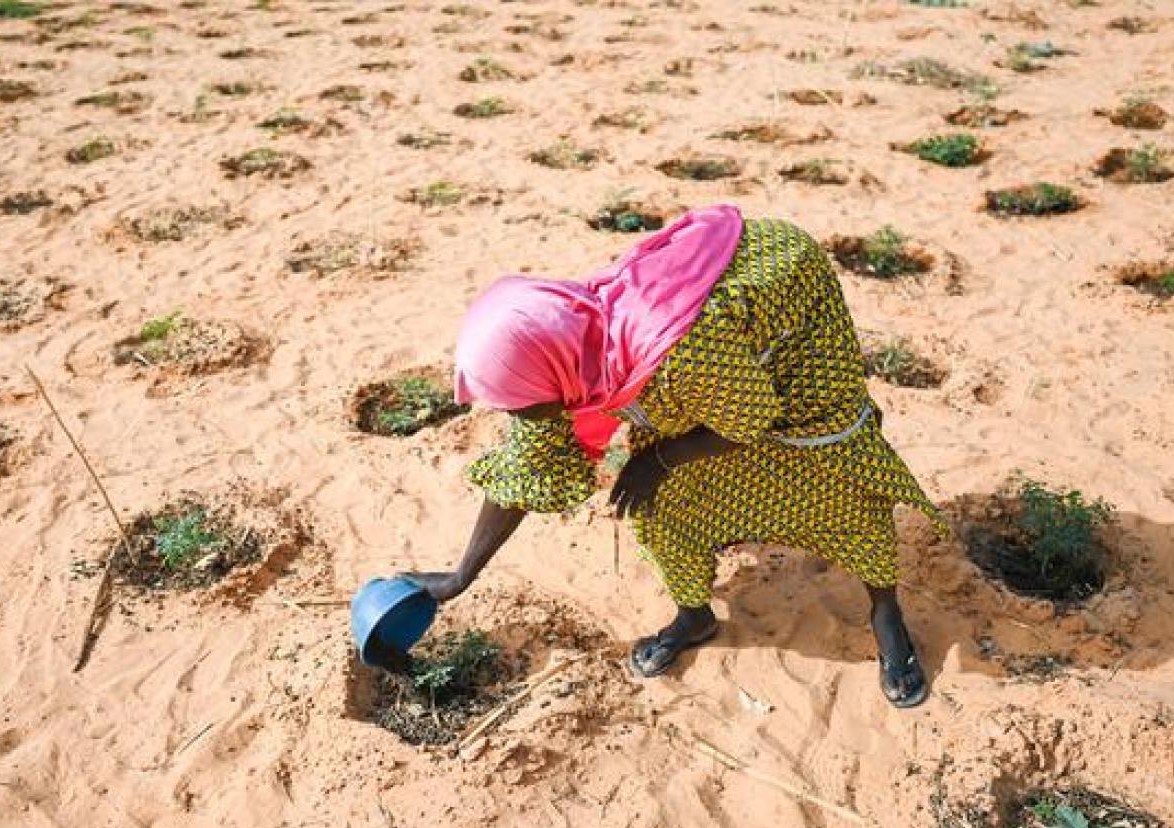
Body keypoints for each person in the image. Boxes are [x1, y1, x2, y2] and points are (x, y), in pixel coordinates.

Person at [403, 204, 946, 708]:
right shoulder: (573, 354)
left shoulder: (677, 353)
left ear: (545, 377)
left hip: (787, 307)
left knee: (834, 478)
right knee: (662, 507)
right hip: (712, 364)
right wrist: (459, 578)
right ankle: (694, 615)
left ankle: (884, 609)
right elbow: (527, 470)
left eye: (520, 405)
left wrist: (659, 458)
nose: (518, 418)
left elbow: (749, 421)